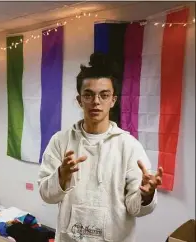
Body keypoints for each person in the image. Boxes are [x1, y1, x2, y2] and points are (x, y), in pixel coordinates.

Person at [38, 52, 163, 242]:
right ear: (79, 100)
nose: (96, 102)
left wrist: (146, 195)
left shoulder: (129, 146)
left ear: (113, 100)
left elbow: (134, 208)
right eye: (88, 95)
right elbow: (46, 195)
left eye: (104, 95)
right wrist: (61, 177)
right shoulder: (60, 141)